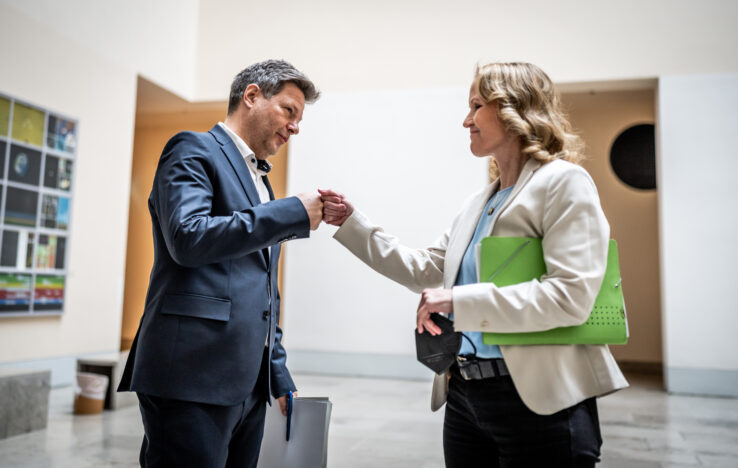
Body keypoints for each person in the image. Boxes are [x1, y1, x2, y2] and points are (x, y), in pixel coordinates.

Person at [321, 62, 628, 467]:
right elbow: (425, 269)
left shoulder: (564, 182)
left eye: (476, 105)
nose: (466, 119)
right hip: (465, 396)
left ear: (514, 108)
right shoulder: (478, 203)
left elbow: (571, 296)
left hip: (538, 399)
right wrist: (352, 224)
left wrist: (460, 301)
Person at [118, 59, 322, 468]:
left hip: (248, 384)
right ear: (251, 96)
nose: (295, 126)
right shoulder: (191, 148)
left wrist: (276, 372)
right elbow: (188, 238)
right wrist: (291, 213)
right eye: (289, 111)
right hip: (191, 375)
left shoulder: (261, 182)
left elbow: (264, 288)